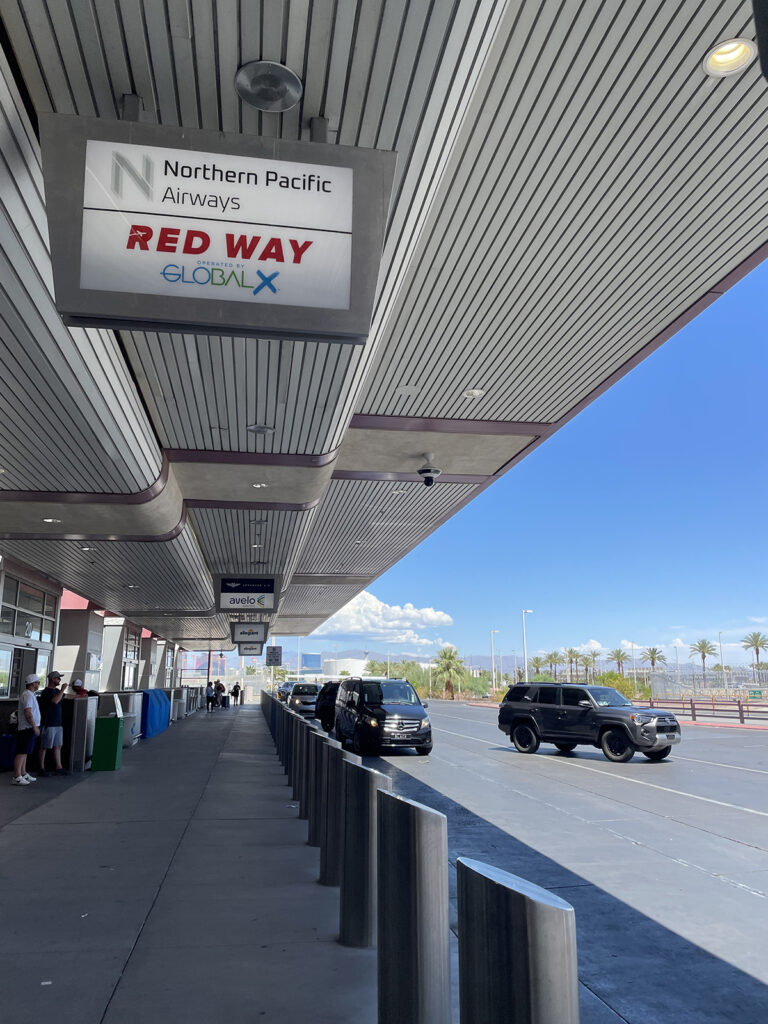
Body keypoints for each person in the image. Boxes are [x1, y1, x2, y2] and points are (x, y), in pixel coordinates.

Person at [37, 671, 69, 777]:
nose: (60, 680)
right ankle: (41, 767)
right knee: (45, 745)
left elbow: (66, 696)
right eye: (58, 678)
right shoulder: (47, 692)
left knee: (58, 745)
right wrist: (63, 689)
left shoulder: (57, 691)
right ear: (52, 679)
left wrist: (81, 695)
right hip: (49, 723)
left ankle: (58, 766)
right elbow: (55, 701)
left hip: (57, 723)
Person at [12, 674, 40, 786]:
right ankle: (17, 776)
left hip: (28, 728)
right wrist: (34, 726)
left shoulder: (30, 695)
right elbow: (28, 712)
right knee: (22, 752)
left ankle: (23, 773)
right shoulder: (27, 696)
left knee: (25, 751)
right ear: (33, 684)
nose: (38, 684)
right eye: (37, 682)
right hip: (26, 728)